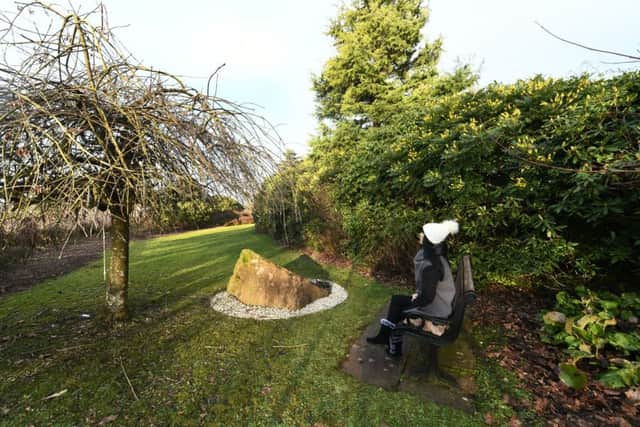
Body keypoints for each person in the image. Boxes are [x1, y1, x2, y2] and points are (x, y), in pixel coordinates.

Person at [366, 219, 459, 356]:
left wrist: (410, 308)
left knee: (400, 308)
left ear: (429, 241)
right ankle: (384, 336)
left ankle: (394, 348)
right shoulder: (437, 256)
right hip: (439, 304)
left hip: (436, 310)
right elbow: (428, 294)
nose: (421, 236)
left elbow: (427, 298)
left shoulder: (432, 266)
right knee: (397, 300)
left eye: (424, 236)